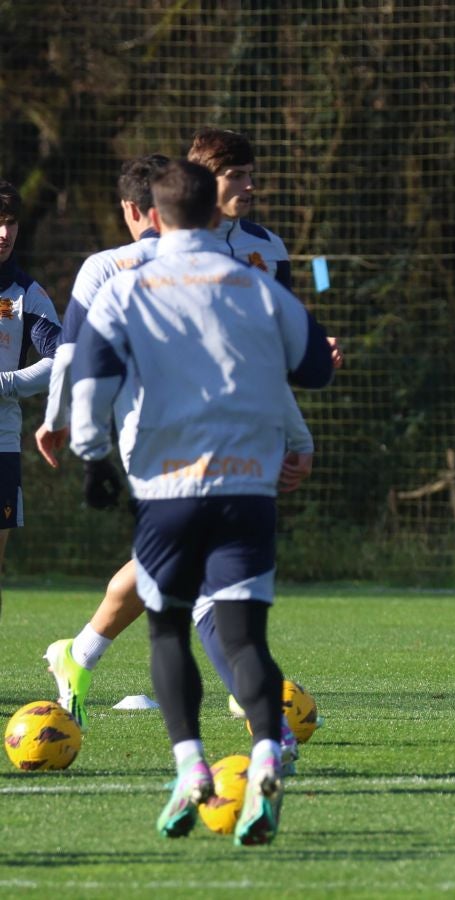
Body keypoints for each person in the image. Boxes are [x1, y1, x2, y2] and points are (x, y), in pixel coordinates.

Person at [68, 160, 334, 843]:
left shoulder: (127, 289)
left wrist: (93, 460)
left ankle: (191, 767)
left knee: (167, 629)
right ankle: (269, 752)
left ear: (152, 218)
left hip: (168, 492)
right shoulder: (257, 286)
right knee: (244, 636)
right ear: (216, 216)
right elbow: (308, 369)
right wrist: (297, 438)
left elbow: (92, 381)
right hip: (248, 487)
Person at [0, 180, 62, 621]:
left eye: (10, 223)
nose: (4, 233)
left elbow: (64, 358)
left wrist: (6, 384)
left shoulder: (26, 294)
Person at [186, 127, 292, 289]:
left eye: (250, 175)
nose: (249, 186)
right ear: (202, 179)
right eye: (236, 176)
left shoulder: (270, 244)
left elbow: (284, 312)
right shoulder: (170, 246)